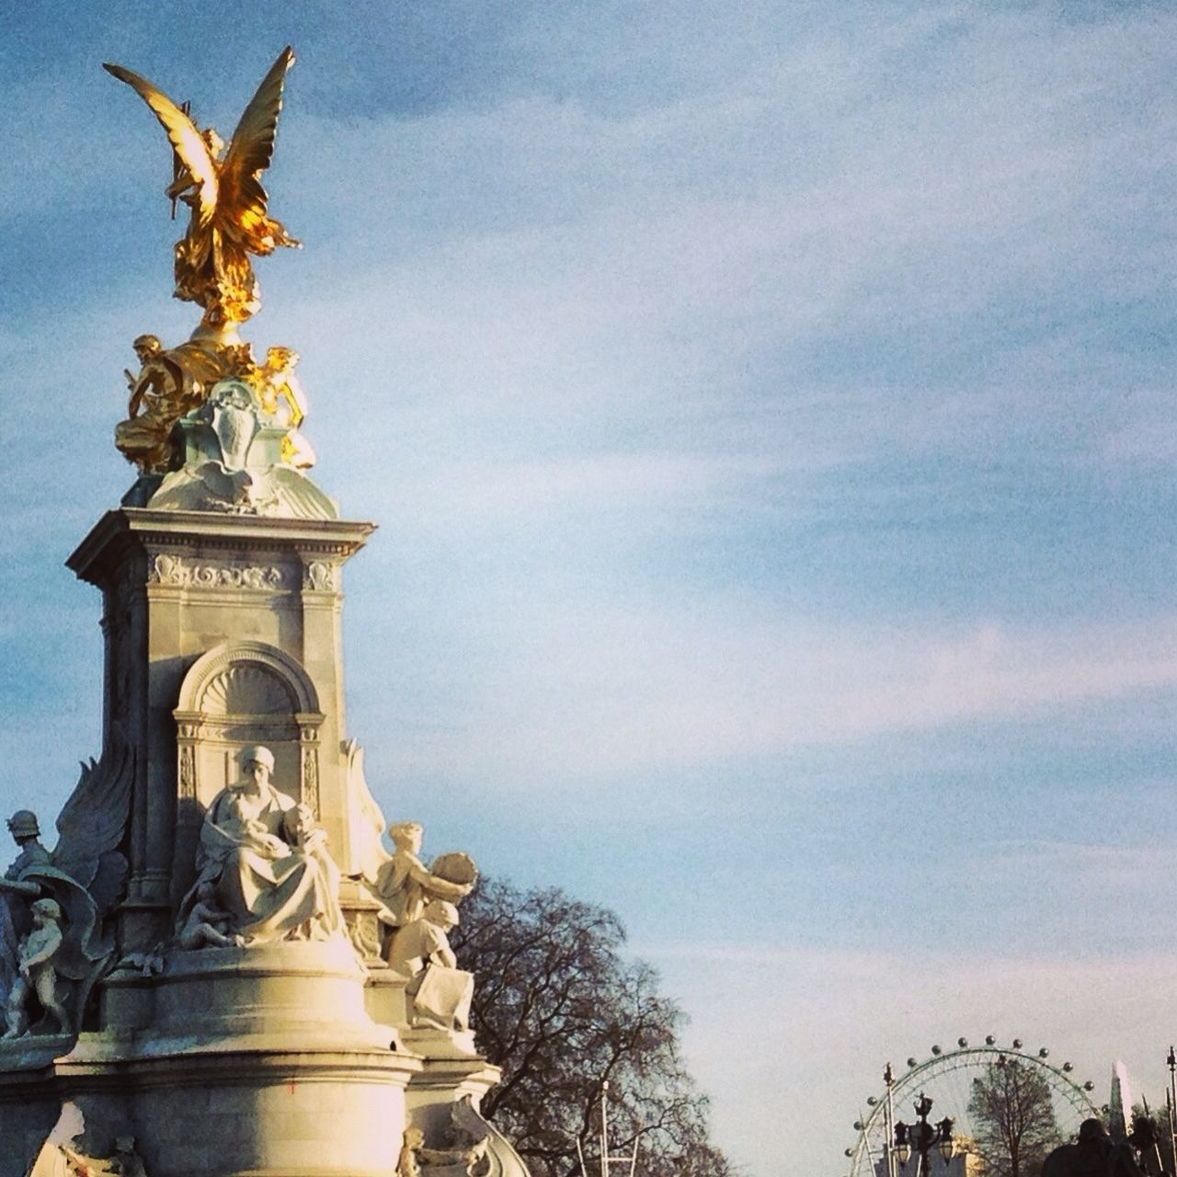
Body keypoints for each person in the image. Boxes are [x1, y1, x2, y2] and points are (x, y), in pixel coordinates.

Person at [177, 746, 344, 945]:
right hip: (244, 858)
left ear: (269, 771)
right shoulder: (231, 800)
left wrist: (317, 835)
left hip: (278, 861)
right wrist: (253, 841)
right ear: (245, 771)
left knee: (308, 864)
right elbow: (216, 837)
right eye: (252, 770)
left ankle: (287, 924)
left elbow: (298, 832)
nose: (256, 776)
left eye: (261, 770)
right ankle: (247, 925)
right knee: (239, 858)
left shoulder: (283, 802)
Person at [387, 899, 474, 1032]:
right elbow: (450, 963)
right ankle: (455, 1022)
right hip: (410, 978)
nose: (448, 930)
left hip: (399, 974)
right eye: (447, 925)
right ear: (438, 918)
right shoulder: (430, 927)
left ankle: (442, 1019)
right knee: (464, 980)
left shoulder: (417, 925)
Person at [375, 822, 473, 934]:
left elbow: (425, 887)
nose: (420, 844)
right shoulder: (407, 859)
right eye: (418, 840)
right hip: (406, 917)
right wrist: (459, 889)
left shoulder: (399, 858)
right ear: (410, 840)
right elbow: (428, 881)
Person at [3, 897, 69, 1038]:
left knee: (47, 1001)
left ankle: (66, 1025)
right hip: (26, 974)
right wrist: (22, 954)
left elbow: (46, 954)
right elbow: (25, 951)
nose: (33, 918)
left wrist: (28, 963)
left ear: (44, 914)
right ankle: (15, 1028)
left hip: (43, 973)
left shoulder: (55, 934)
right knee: (13, 1000)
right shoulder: (35, 934)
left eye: (35, 914)